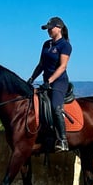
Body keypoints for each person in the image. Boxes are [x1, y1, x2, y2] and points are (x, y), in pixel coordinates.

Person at [28, 17, 72, 152]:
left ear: (59, 28)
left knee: (55, 107)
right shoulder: (46, 44)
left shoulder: (65, 45)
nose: (48, 31)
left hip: (59, 82)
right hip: (46, 81)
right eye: (47, 29)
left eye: (50, 28)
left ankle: (63, 140)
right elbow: (41, 64)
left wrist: (50, 81)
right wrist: (31, 78)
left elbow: (63, 67)